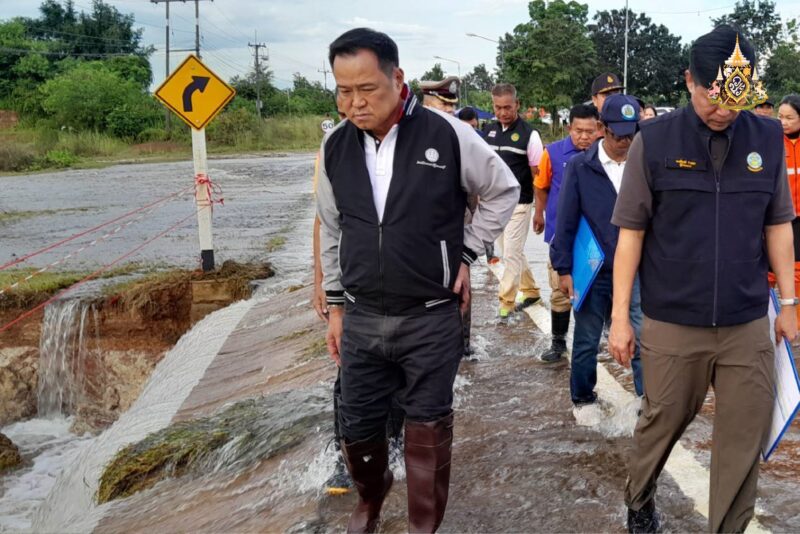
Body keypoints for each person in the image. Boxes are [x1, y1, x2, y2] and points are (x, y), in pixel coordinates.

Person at [317, 28, 519, 533]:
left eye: (367, 89)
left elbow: (503, 191)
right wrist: (335, 306)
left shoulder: (448, 134)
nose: (355, 102)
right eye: (344, 91)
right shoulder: (334, 148)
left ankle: (422, 525)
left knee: (428, 427)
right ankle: (370, 496)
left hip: (431, 316)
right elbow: (332, 227)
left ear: (397, 77)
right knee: (358, 426)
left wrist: (467, 252)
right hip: (363, 317)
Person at [608, 26, 797, 533]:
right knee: (661, 421)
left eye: (736, 98)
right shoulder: (656, 140)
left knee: (742, 438)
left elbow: (778, 223)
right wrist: (620, 317)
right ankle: (639, 495)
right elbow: (631, 234)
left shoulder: (768, 139)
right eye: (712, 96)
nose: (723, 110)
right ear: (689, 80)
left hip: (745, 321)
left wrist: (790, 303)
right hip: (673, 320)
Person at [549, 94, 645, 425]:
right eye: (618, 135)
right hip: (595, 267)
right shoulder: (581, 166)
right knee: (588, 336)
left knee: (642, 332)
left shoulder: (643, 163)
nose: (624, 142)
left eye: (631, 135)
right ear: (603, 128)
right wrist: (563, 267)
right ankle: (583, 397)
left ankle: (647, 397)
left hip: (636, 269)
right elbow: (566, 218)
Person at [532, 104, 598, 364]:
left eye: (590, 131)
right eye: (578, 131)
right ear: (569, 128)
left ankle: (594, 339)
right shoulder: (553, 152)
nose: (584, 136)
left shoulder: (604, 153)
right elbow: (541, 186)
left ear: (599, 130)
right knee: (560, 288)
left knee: (595, 289)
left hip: (594, 236)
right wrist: (539, 214)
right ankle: (558, 341)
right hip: (562, 235)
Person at [483, 83, 544, 318]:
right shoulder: (488, 131)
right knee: (511, 251)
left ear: (517, 104)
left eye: (507, 107)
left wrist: (539, 211)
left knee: (510, 254)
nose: (502, 112)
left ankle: (506, 304)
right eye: (498, 107)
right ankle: (530, 290)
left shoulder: (530, 135)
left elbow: (537, 175)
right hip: (493, 204)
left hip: (520, 203)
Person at [775, 94, 800, 324]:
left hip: (799, 218)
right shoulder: (772, 141)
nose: (784, 122)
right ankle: (768, 312)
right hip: (780, 216)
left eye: (790, 117)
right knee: (772, 269)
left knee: (798, 269)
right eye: (780, 117)